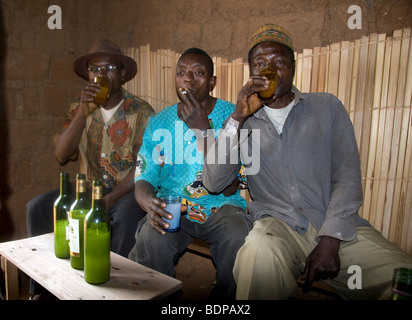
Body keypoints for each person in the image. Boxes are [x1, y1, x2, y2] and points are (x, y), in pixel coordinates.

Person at [202, 23, 412, 300]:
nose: (269, 70)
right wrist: (237, 118)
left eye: (279, 62)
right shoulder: (244, 123)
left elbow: (347, 177)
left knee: (403, 276)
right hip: (278, 228)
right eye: (260, 63)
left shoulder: (326, 108)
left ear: (293, 66)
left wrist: (330, 239)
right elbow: (213, 182)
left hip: (337, 229)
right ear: (251, 72)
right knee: (257, 253)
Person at [128, 48, 252, 300]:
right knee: (152, 238)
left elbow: (228, 186)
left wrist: (202, 128)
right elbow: (143, 176)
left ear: (212, 82)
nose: (189, 79)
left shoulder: (233, 117)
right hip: (174, 205)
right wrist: (149, 203)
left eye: (199, 73)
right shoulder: (159, 122)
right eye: (181, 73)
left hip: (221, 206)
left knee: (238, 235)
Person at [26, 39, 155, 259]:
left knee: (124, 218)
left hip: (124, 192)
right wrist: (82, 114)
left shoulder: (141, 111)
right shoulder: (78, 107)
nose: (101, 75)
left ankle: (115, 287)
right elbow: (61, 155)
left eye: (110, 68)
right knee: (36, 207)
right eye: (95, 69)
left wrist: (110, 199)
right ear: (87, 75)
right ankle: (43, 286)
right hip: (86, 189)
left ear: (123, 74)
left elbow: (143, 166)